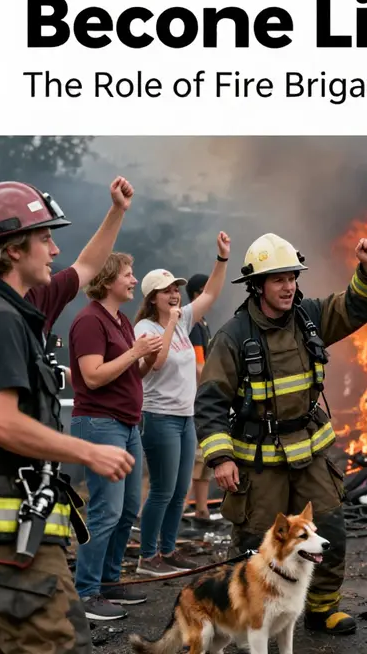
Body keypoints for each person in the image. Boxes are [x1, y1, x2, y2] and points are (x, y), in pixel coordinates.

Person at [0, 178, 136, 654]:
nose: (55, 248)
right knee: (58, 642)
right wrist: (88, 451)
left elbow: (86, 266)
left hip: (13, 529)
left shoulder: (21, 305)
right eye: (45, 239)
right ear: (12, 249)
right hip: (1, 534)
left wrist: (117, 211)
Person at [194, 233, 367, 635]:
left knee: (328, 528)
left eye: (292, 277)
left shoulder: (310, 318)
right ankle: (245, 614)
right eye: (278, 279)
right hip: (260, 461)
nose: (288, 286)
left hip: (310, 452)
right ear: (258, 285)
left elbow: (354, 307)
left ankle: (322, 608)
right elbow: (210, 401)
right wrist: (221, 457)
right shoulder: (233, 337)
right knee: (255, 544)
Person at [69, 252, 163, 620]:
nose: (134, 280)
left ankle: (108, 582)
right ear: (108, 280)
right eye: (128, 274)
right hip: (99, 423)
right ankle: (86, 592)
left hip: (126, 424)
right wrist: (136, 351)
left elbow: (130, 375)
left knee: (126, 510)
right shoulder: (89, 321)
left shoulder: (121, 320)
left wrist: (147, 358)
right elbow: (92, 376)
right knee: (105, 510)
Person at [133, 233, 230, 576]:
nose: (174, 294)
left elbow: (212, 293)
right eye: (167, 290)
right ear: (152, 297)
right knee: (162, 489)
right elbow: (156, 364)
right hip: (159, 417)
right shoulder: (145, 327)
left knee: (179, 490)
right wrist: (172, 322)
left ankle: (169, 550)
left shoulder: (186, 319)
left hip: (186, 418)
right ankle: (148, 558)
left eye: (176, 288)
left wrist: (221, 259)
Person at [184, 273, 215, 525]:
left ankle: (202, 510)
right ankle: (177, 512)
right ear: (197, 293)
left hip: (204, 398)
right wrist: (213, 387)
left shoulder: (203, 323)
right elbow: (198, 364)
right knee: (194, 460)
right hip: (197, 399)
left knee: (205, 460)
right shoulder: (193, 324)